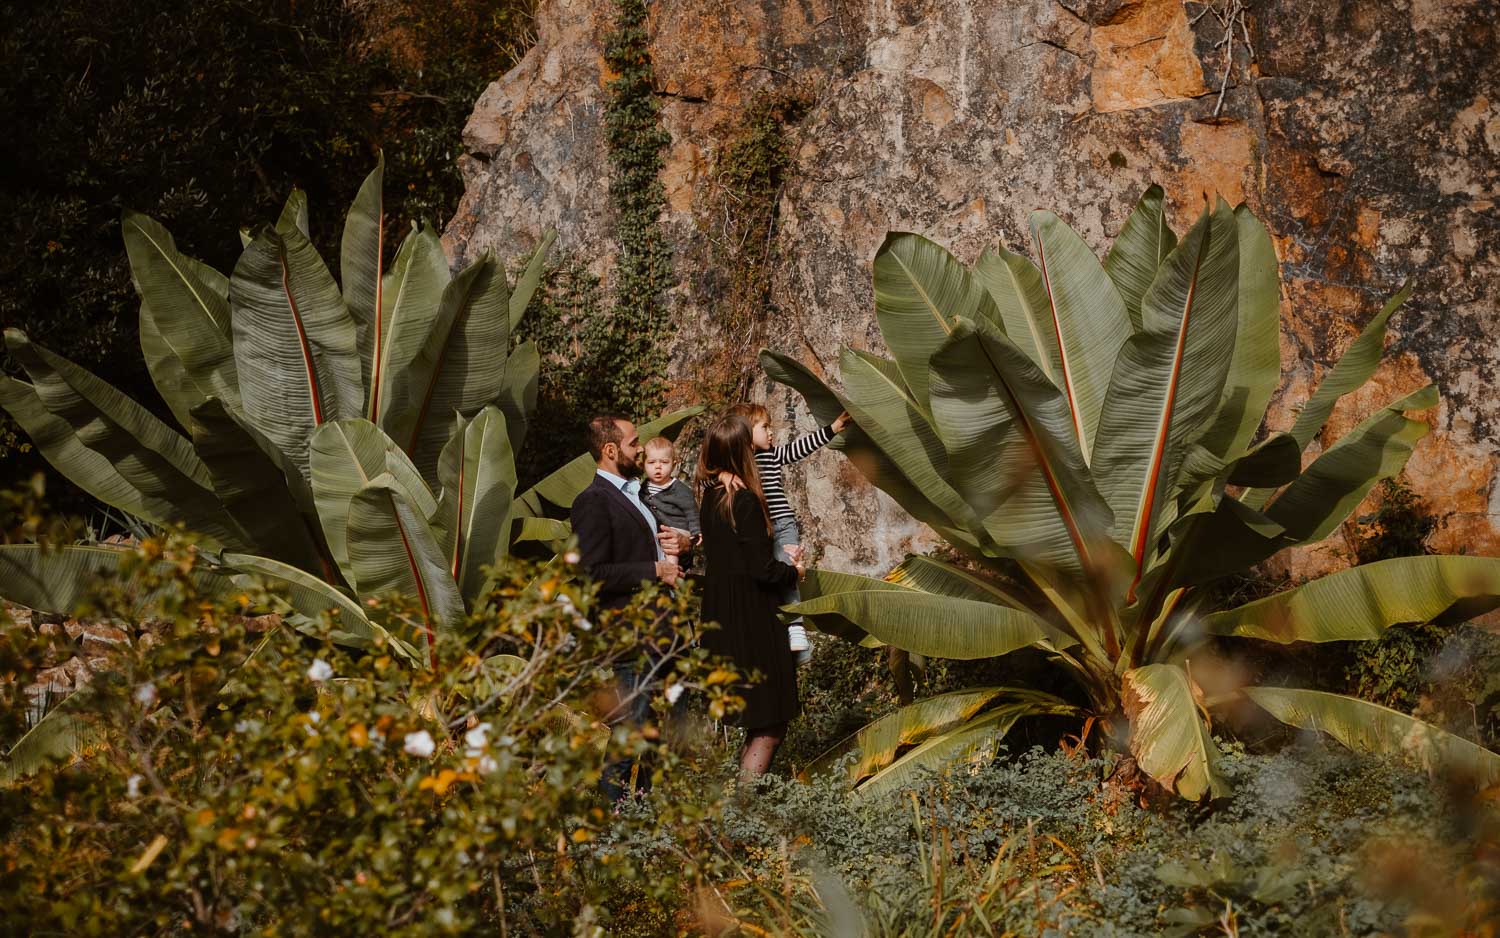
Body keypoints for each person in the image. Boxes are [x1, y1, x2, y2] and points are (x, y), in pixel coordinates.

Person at [570, 413, 693, 801]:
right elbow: (592, 572)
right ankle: (611, 828)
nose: (642, 449)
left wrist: (679, 548)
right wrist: (654, 569)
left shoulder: (639, 494)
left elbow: (653, 549)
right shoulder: (592, 502)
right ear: (610, 450)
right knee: (631, 733)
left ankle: (647, 815)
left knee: (666, 732)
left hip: (665, 629)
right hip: (632, 634)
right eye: (634, 443)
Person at [696, 414, 806, 781]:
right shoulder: (744, 502)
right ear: (742, 451)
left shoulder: (711, 499)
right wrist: (795, 571)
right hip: (753, 620)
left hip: (723, 618)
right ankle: (738, 815)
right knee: (771, 722)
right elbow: (763, 570)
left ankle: (733, 808)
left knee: (754, 719)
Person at [726, 403, 850, 664]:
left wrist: (833, 429)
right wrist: (723, 475)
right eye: (764, 428)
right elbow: (706, 475)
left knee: (789, 570)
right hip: (759, 530)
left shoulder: (772, 455)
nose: (771, 433)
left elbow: (799, 448)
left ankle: (796, 628)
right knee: (768, 576)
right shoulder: (736, 465)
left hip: (782, 524)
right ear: (746, 433)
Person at [641, 435, 701, 570]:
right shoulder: (642, 487)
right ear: (644, 465)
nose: (658, 467)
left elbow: (691, 511)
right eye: (651, 462)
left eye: (664, 462)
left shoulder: (680, 490)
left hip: (677, 528)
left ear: (674, 464)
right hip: (659, 530)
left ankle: (672, 573)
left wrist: (696, 531)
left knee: (670, 549)